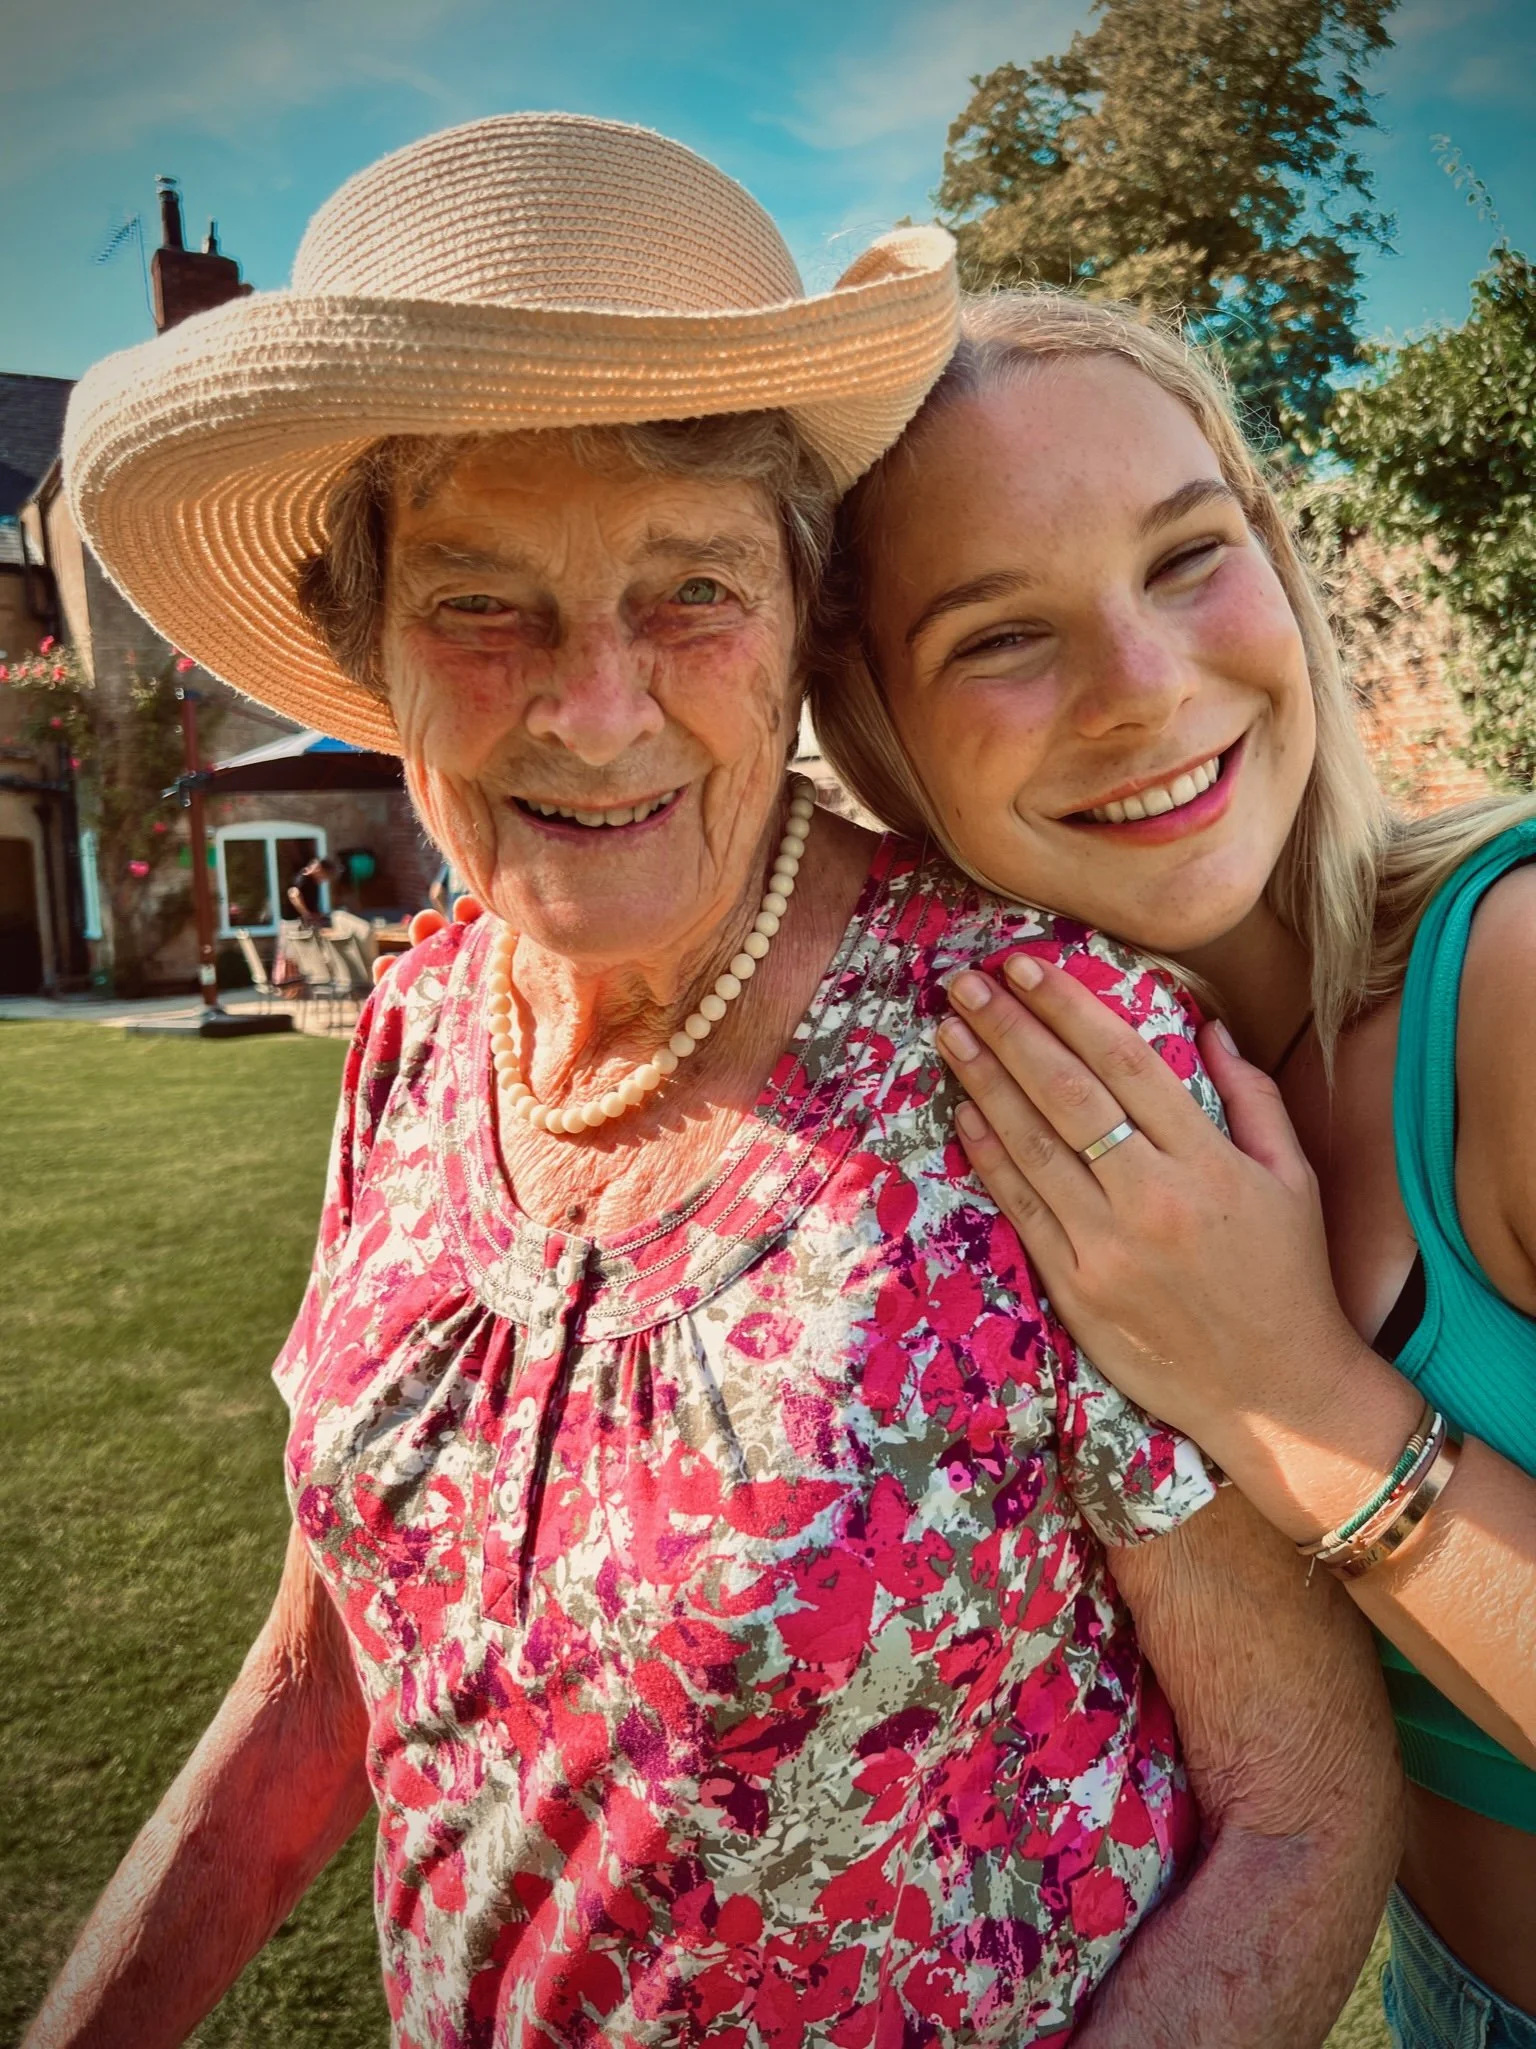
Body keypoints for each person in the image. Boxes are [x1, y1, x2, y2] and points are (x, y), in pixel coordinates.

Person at [31, 120, 1400, 2048]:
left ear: (800, 631)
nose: (598, 714)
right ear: (364, 644)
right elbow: (335, 1656)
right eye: (482, 606)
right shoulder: (419, 1031)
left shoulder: (1031, 1049)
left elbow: (1303, 1812)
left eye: (691, 591)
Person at [808, 289, 1536, 2048]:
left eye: (1189, 556)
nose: (1144, 690)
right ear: (875, 734)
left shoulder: (1518, 984)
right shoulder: (1037, 1113)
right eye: (1002, 636)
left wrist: (1293, 1392)